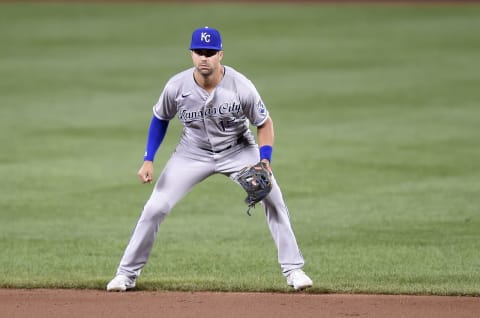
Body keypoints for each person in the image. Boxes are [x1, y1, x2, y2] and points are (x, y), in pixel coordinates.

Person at [106, 26, 312, 291]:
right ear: (192, 54)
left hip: (238, 149)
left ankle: (294, 271)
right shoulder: (176, 86)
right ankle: (126, 274)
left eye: (210, 52)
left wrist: (265, 159)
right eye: (199, 52)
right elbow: (160, 118)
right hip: (191, 153)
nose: (204, 57)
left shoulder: (240, 85)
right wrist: (148, 159)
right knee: (155, 207)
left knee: (273, 198)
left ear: (220, 55)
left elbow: (264, 122)